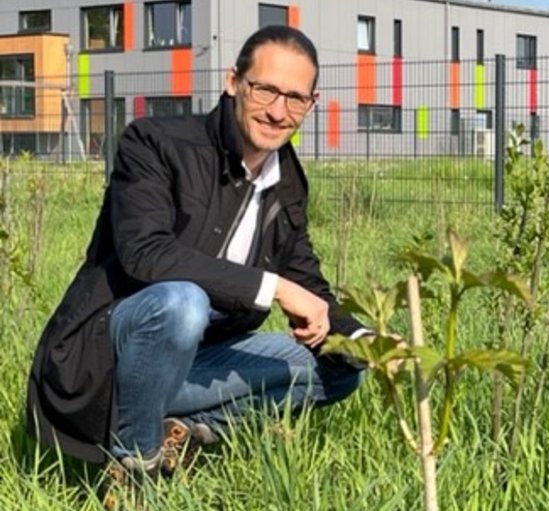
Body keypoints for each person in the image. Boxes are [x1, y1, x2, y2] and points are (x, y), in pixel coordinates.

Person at [25, 25, 368, 476]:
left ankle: (188, 429)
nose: (278, 111)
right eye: (265, 90)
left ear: (312, 103)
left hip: (201, 358)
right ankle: (135, 469)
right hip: (111, 361)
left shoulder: (286, 181)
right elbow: (146, 254)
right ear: (233, 82)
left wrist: (367, 341)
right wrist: (276, 288)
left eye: (295, 98)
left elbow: (304, 275)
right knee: (182, 302)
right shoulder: (155, 143)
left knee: (342, 368)